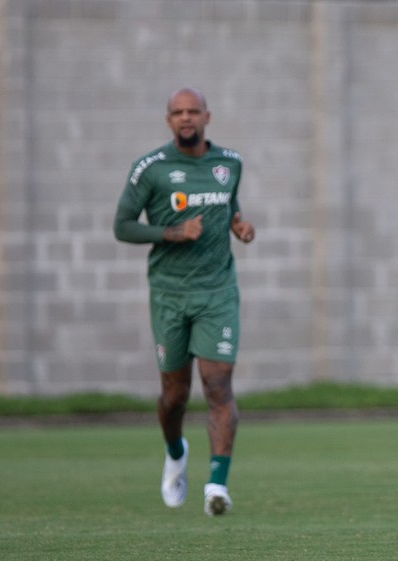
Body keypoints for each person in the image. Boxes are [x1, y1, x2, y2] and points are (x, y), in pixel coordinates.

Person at [114, 88, 255, 517]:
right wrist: (172, 233)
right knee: (174, 394)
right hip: (170, 294)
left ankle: (217, 484)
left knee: (217, 384)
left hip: (217, 292)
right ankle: (176, 451)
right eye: (178, 112)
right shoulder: (150, 169)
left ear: (207, 116)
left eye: (193, 111)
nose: (186, 117)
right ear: (168, 120)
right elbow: (122, 226)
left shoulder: (229, 163)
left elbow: (228, 207)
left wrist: (239, 227)